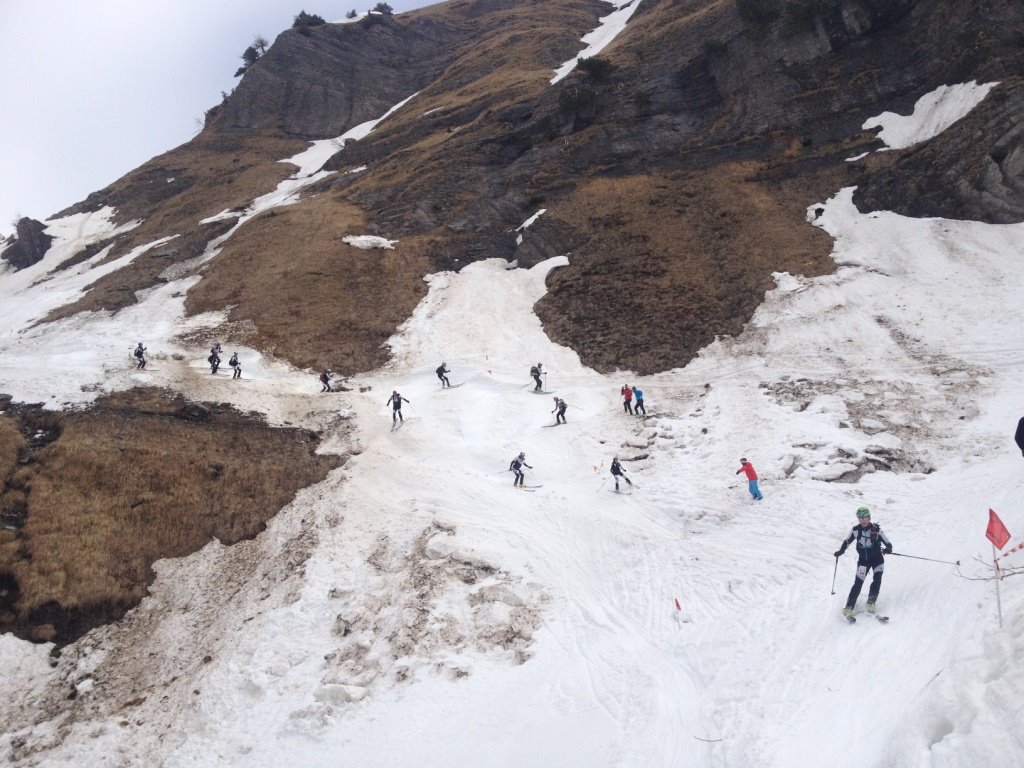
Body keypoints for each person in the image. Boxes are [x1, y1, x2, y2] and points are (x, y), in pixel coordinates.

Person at [834, 507, 893, 618]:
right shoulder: (855, 530)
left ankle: (871, 602)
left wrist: (888, 549)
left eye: (865, 517)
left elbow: (888, 543)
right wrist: (841, 551)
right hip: (863, 561)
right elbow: (847, 541)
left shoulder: (877, 530)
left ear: (869, 517)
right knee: (858, 583)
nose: (863, 520)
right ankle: (849, 607)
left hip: (877, 560)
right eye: (860, 518)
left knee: (877, 579)